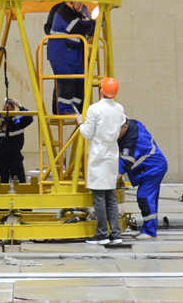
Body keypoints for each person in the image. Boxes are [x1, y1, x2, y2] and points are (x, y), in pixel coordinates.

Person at [78, 75, 127, 243]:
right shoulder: (119, 108)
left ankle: (102, 234)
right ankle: (116, 235)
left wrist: (80, 122)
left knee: (99, 197)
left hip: (98, 156)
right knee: (111, 197)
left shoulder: (94, 109)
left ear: (101, 91)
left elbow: (87, 133)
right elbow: (123, 124)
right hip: (111, 155)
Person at [44, 0, 96, 118]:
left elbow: (90, 29)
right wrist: (93, 23)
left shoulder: (79, 12)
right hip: (61, 54)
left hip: (74, 54)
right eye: (79, 2)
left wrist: (93, 23)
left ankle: (77, 108)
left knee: (80, 82)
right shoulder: (63, 12)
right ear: (71, 1)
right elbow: (76, 27)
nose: (81, 5)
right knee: (67, 81)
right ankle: (65, 109)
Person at [119, 117, 169, 237]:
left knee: (144, 197)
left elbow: (124, 163)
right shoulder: (133, 125)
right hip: (152, 166)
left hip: (153, 168)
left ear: (124, 127)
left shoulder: (132, 140)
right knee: (150, 199)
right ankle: (150, 229)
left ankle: (149, 232)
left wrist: (109, 179)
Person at [0, 98, 34, 183]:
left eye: (11, 106)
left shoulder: (18, 120)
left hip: (15, 157)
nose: (8, 109)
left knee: (20, 183)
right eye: (6, 107)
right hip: (0, 157)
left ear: (14, 108)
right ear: (3, 108)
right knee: (1, 184)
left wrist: (20, 106)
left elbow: (29, 117)